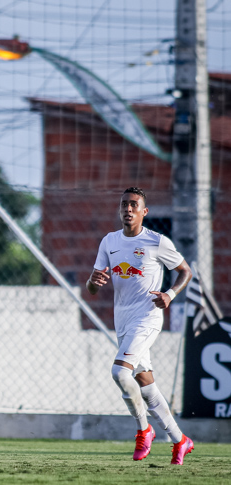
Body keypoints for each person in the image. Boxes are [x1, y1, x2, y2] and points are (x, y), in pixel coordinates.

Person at [87, 187, 194, 465]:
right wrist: (93, 281)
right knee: (145, 384)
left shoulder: (157, 242)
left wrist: (169, 294)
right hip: (121, 319)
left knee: (119, 372)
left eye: (134, 204)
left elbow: (185, 271)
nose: (128, 209)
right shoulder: (109, 241)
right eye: (124, 204)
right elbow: (93, 287)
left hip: (147, 318)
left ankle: (144, 430)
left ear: (144, 212)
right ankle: (180, 440)